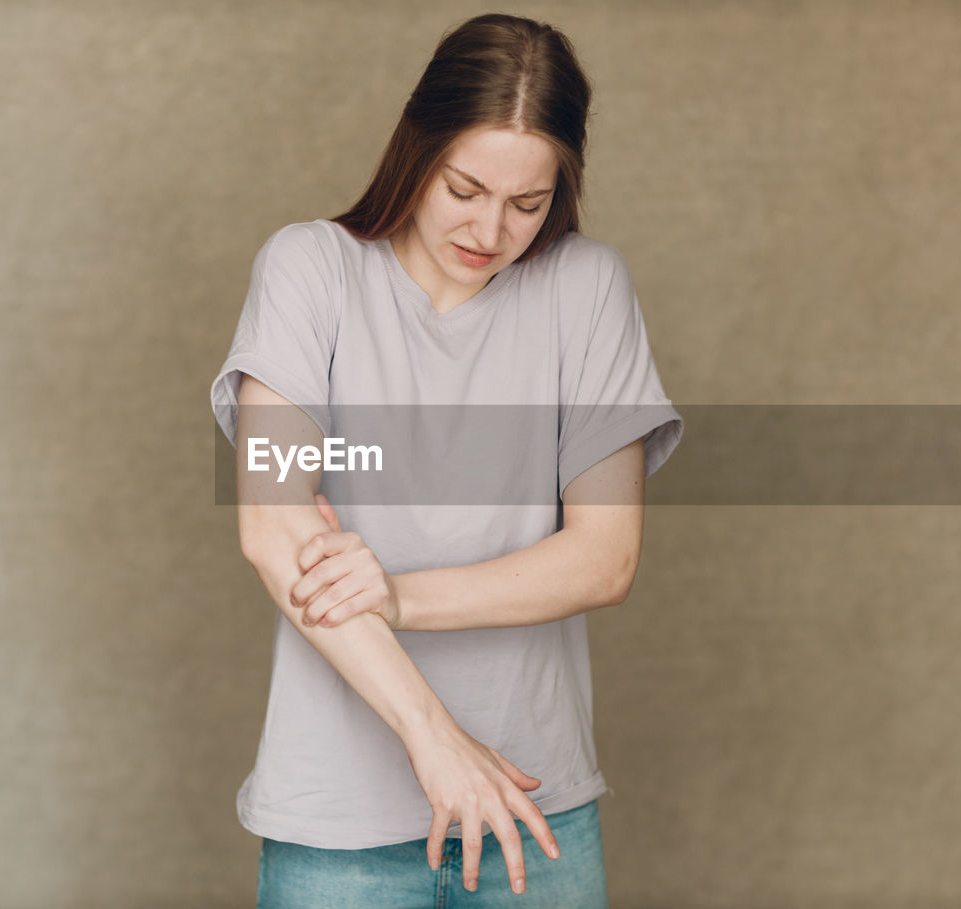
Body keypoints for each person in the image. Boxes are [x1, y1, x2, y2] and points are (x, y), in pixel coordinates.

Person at [211, 13, 683, 908]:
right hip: (337, 827)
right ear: (415, 148)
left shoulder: (587, 291)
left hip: (534, 814)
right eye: (464, 187)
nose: (489, 229)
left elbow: (605, 557)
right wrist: (437, 740)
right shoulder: (310, 271)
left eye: (527, 203)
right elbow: (276, 526)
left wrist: (397, 593)